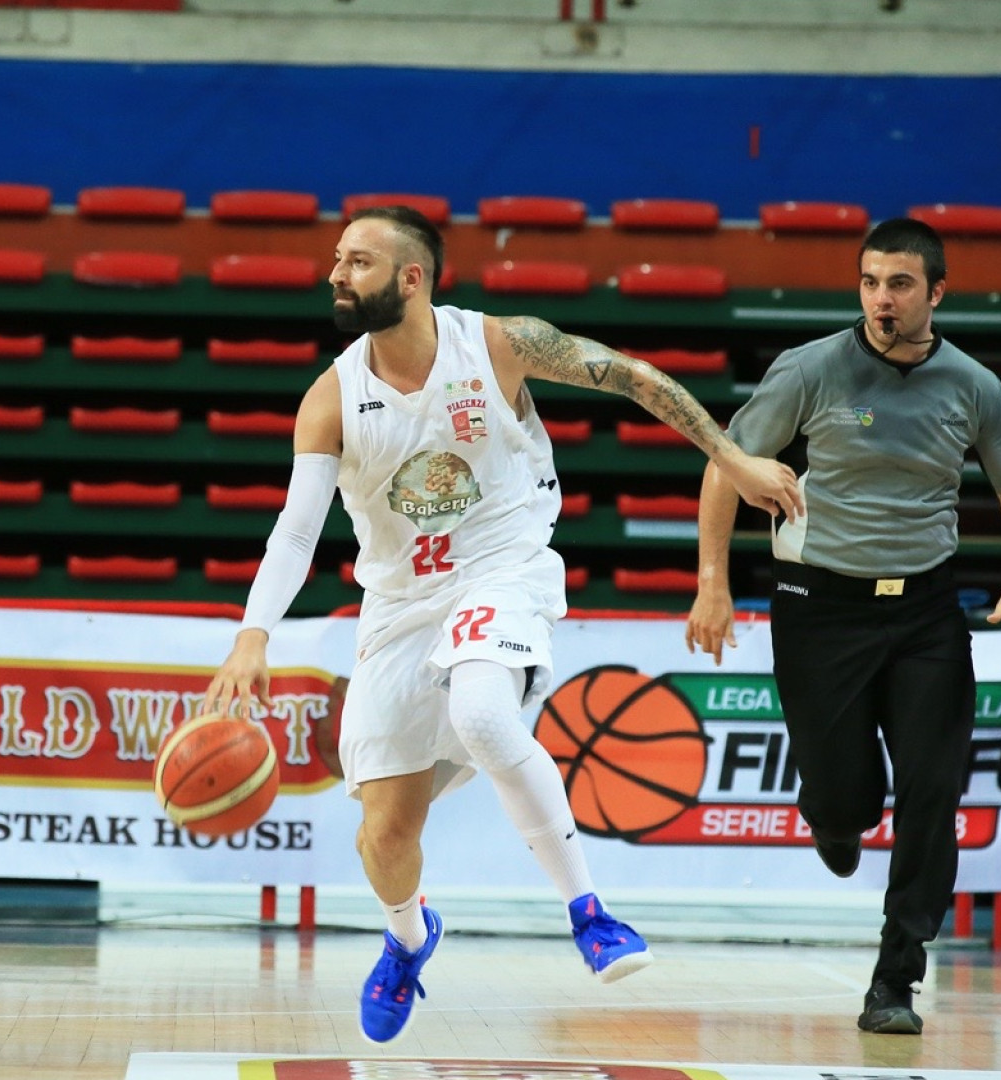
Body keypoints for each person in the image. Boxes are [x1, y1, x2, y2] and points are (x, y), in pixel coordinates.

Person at [204, 206, 803, 1044]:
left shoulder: (498, 344)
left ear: (411, 279)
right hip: (400, 604)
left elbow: (631, 376)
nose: (336, 275)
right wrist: (253, 631)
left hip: (504, 566)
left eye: (358, 262)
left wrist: (729, 457)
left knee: (482, 712)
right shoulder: (332, 397)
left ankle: (590, 914)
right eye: (338, 260)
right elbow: (298, 531)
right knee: (384, 835)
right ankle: (409, 939)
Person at [684, 217, 1001, 1036]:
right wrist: (712, 585)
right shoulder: (809, 369)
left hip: (926, 611)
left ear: (936, 292)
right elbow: (727, 466)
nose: (883, 300)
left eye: (901, 285)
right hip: (820, 608)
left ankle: (896, 978)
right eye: (871, 283)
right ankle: (837, 817)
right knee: (848, 798)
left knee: (932, 790)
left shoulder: (974, 385)